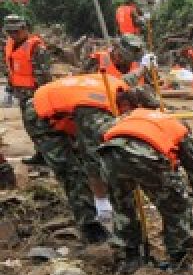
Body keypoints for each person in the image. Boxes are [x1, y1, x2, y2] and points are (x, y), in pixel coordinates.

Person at [97, 100, 193, 273]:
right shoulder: (181, 132)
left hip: (110, 155)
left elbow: (103, 131)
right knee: (177, 207)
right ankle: (180, 260)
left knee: (122, 206)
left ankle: (130, 256)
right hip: (146, 157)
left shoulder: (133, 116)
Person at [31, 74, 140, 243]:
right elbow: (93, 157)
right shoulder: (94, 110)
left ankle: (96, 207)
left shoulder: (117, 86)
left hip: (66, 111)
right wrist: (103, 200)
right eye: (128, 113)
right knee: (71, 172)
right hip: (40, 116)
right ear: (124, 104)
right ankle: (89, 226)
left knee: (87, 159)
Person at [3, 14, 53, 166]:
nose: (13, 35)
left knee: (41, 127)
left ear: (24, 29)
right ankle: (40, 154)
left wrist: (40, 96)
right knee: (30, 127)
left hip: (35, 95)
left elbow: (45, 75)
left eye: (16, 31)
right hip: (21, 94)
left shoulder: (36, 47)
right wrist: (11, 86)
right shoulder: (11, 44)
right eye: (10, 32)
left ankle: (49, 156)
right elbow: (11, 69)